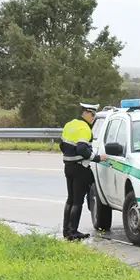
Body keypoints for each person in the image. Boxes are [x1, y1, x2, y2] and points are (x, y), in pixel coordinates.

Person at [59, 103, 107, 240]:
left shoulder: (70, 124)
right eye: (92, 115)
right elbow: (82, 149)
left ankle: (66, 231)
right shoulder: (84, 128)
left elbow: (61, 145)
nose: (93, 118)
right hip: (80, 167)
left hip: (68, 166)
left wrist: (70, 156)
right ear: (85, 113)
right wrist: (97, 158)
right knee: (77, 202)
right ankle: (73, 232)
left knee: (70, 199)